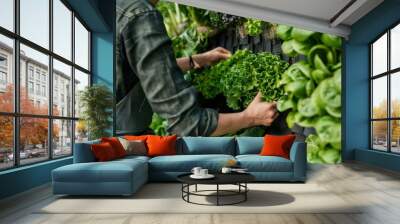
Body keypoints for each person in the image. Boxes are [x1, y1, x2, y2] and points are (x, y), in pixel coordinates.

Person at [116, 0, 279, 136]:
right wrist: (250, 117)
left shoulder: (118, 8)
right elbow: (187, 124)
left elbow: (144, 71)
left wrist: (195, 61)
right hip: (127, 148)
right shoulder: (140, 15)